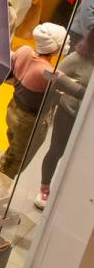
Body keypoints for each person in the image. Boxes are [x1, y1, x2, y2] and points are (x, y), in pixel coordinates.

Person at [0, 22, 66, 180]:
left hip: (14, 110)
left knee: (12, 151)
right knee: (15, 161)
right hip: (28, 122)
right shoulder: (47, 72)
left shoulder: (25, 51)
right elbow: (66, 86)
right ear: (55, 48)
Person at [34, 31, 91, 209]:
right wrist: (76, 90)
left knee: (81, 160)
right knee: (56, 151)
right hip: (68, 114)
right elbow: (50, 76)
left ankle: (68, 194)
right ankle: (44, 187)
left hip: (90, 122)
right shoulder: (79, 57)